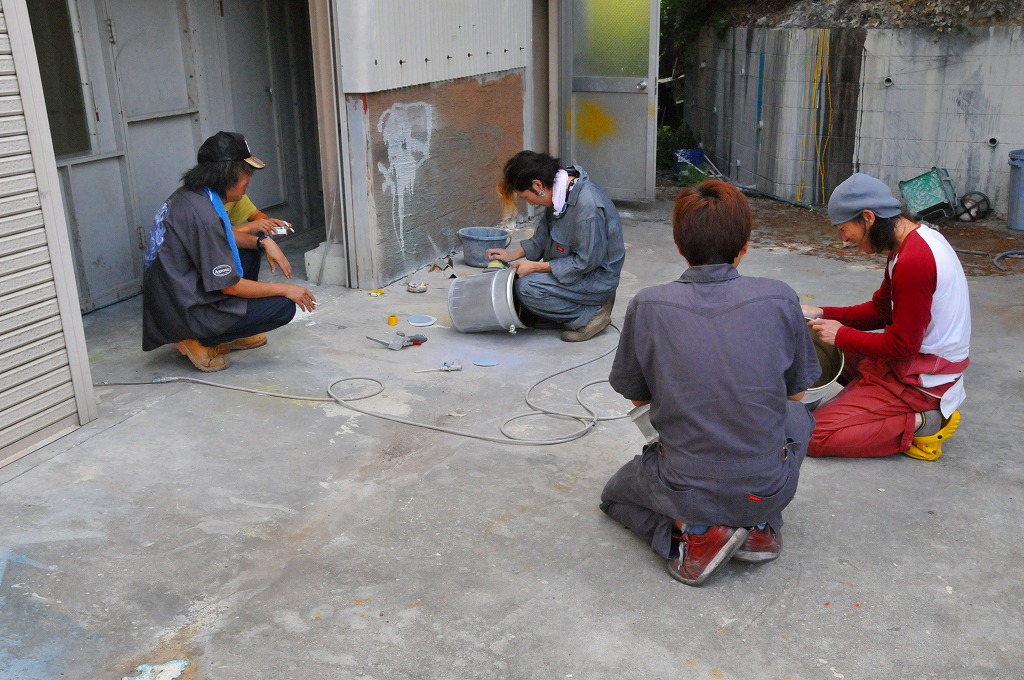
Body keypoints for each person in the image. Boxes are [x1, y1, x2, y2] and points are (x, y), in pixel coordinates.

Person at [601, 180, 819, 586]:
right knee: (798, 416)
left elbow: (637, 398)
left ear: (679, 245)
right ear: (745, 246)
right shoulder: (780, 298)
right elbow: (796, 393)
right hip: (766, 486)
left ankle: (697, 533)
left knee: (613, 497)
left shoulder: (647, 304)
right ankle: (757, 526)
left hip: (683, 484)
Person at [803, 173, 971, 461]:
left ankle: (924, 421)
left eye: (844, 229)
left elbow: (903, 346)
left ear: (868, 217)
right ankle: (866, 401)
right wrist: (821, 313)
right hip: (906, 361)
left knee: (811, 436)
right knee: (813, 340)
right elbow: (881, 311)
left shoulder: (915, 261)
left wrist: (841, 335)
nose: (844, 239)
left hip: (922, 380)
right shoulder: (908, 243)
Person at [142, 131, 316, 372]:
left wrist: (263, 241)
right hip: (184, 311)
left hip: (176, 296)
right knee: (283, 306)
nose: (249, 179)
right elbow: (230, 286)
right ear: (228, 174)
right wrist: (286, 288)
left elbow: (224, 240)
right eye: (246, 172)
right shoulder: (203, 215)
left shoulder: (193, 196)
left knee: (251, 250)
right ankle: (199, 339)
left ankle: (227, 331)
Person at [485, 151, 624, 342]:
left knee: (526, 288)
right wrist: (512, 255)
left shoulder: (588, 208)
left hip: (596, 277)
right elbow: (543, 236)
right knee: (519, 290)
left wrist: (536, 267)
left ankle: (590, 314)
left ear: (537, 185)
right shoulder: (559, 192)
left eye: (526, 197)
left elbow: (585, 263)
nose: (529, 202)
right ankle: (573, 308)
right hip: (579, 273)